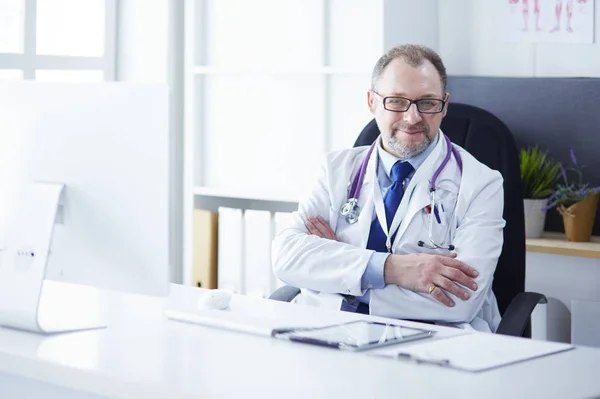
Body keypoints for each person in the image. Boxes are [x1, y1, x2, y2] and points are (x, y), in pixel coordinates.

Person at [271, 44, 505, 333]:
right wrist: (395, 269)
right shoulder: (335, 170)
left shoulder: (482, 184)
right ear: (372, 102)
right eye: (396, 101)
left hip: (435, 341)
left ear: (444, 106)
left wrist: (338, 276)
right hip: (331, 332)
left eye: (427, 103)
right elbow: (286, 257)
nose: (412, 117)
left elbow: (461, 300)